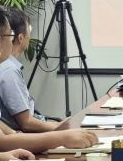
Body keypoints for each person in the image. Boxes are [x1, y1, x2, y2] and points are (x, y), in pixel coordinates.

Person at [0, 8, 98, 152]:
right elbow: (6, 139)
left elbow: (5, 132)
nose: (11, 39)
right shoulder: (8, 70)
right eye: (10, 35)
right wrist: (62, 136)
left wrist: (62, 130)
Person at [0, 8, 60, 132]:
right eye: (29, 29)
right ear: (20, 37)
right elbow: (26, 124)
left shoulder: (9, 67)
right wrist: (64, 129)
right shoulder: (9, 70)